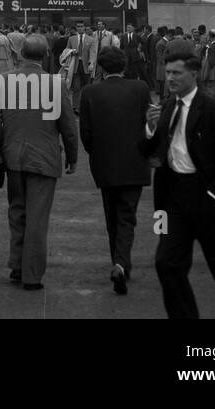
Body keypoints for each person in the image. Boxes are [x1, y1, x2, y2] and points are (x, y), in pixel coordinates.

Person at [142, 52, 215, 319]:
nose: (170, 79)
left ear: (194, 74)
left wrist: (214, 197)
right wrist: (151, 129)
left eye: (176, 73)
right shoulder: (165, 107)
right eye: (168, 73)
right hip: (172, 201)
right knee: (166, 264)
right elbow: (147, 152)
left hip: (208, 198)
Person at [0, 34, 77, 290]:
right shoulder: (56, 84)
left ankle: (16, 264)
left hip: (13, 157)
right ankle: (32, 274)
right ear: (46, 54)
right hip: (45, 158)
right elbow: (68, 126)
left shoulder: (3, 81)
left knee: (17, 211)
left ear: (20, 54)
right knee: (37, 217)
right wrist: (72, 157)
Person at [78, 47, 151, 294]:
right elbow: (149, 122)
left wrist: (96, 153)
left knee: (112, 217)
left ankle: (118, 262)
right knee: (127, 216)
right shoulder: (140, 89)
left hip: (104, 164)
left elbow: (85, 133)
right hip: (134, 162)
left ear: (101, 67)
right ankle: (121, 263)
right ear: (125, 65)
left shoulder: (89, 92)